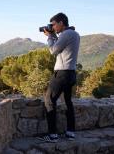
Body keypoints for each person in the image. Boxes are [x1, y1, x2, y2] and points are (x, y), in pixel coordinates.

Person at [40, 12, 80, 142]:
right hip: (71, 73)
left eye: (54, 24)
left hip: (62, 73)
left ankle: (52, 135)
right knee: (67, 101)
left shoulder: (66, 34)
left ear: (61, 23)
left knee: (49, 100)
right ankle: (70, 133)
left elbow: (53, 50)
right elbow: (61, 47)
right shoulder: (74, 34)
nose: (52, 27)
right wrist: (54, 35)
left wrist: (50, 36)